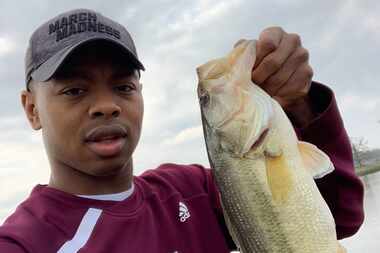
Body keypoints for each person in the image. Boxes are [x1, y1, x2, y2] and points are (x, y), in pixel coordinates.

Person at [0, 8, 364, 253]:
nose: (106, 106)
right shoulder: (27, 243)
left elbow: (336, 216)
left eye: (124, 87)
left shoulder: (191, 191)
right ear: (32, 110)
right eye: (75, 90)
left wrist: (300, 108)